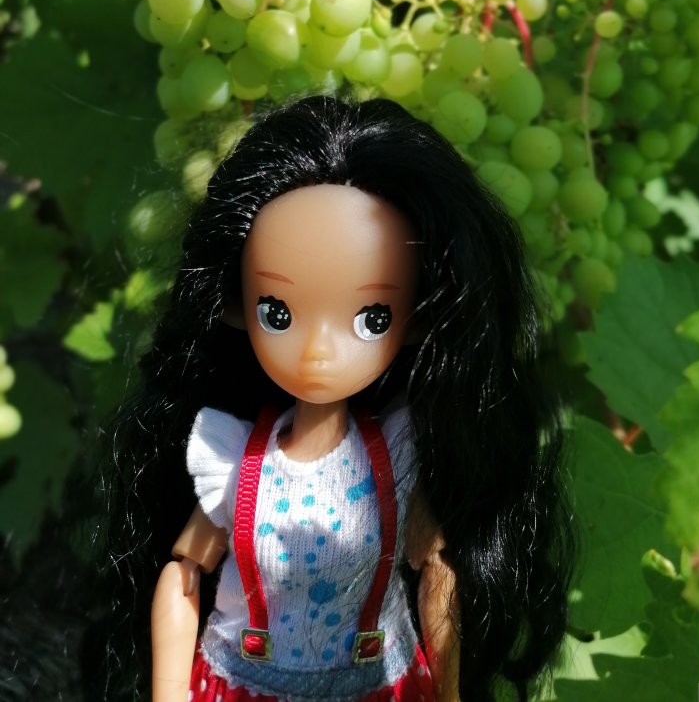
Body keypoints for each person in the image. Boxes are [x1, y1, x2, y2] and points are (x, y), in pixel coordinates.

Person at [102, 94, 574, 702]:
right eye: (278, 312)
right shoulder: (233, 461)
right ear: (235, 307)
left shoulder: (398, 456)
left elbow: (438, 573)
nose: (317, 351)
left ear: (417, 319)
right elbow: (184, 573)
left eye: (372, 317)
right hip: (248, 683)